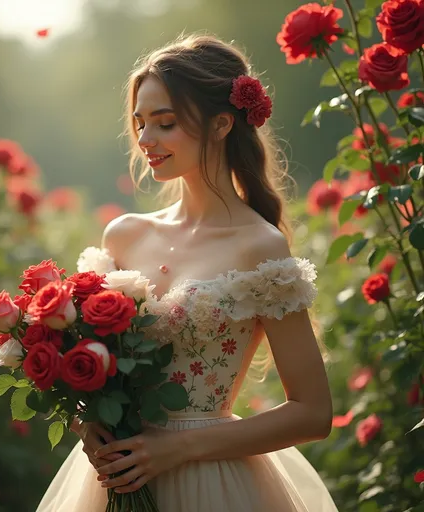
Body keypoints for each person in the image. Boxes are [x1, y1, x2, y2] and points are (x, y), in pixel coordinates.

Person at [36, 33, 338, 511]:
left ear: (221, 124)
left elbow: (313, 413)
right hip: (113, 477)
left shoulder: (259, 246)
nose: (145, 139)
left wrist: (176, 448)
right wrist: (86, 422)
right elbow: (83, 368)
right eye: (140, 123)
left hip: (209, 482)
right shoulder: (124, 235)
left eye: (165, 123)